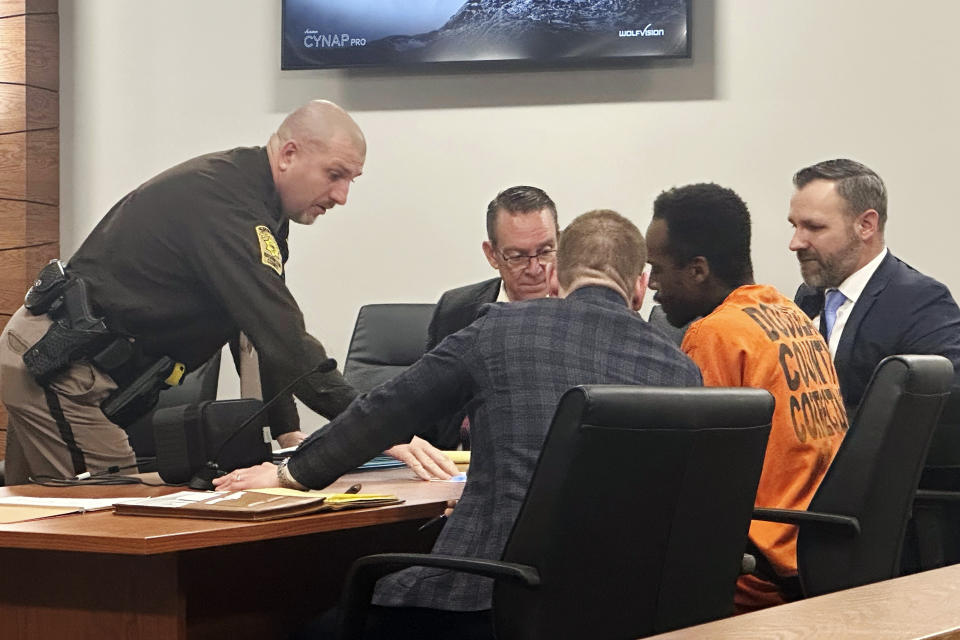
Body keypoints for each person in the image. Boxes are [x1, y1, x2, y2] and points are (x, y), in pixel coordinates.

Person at [217, 209, 702, 639]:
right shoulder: (682, 371)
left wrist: (288, 473)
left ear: (555, 277)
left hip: (486, 599)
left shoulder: (497, 330)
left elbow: (384, 410)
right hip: (626, 611)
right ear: (639, 286)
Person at [0, 99, 455, 485]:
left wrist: (288, 435)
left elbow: (261, 327)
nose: (342, 196)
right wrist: (375, 427)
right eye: (334, 175)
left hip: (72, 368)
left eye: (352, 179)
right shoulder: (224, 206)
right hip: (57, 368)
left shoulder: (261, 209)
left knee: (27, 534)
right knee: (112, 517)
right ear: (289, 153)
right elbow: (286, 341)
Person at [645, 183, 848, 612]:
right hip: (820, 557)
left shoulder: (714, 335)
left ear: (698, 269)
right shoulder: (790, 314)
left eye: (658, 269)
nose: (652, 287)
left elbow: (696, 484)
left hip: (756, 579)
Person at [790, 158, 960, 416]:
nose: (796, 243)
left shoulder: (921, 301)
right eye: (795, 226)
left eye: (814, 227)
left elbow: (944, 408)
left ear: (866, 225)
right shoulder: (809, 296)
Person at [423, 185, 559, 448]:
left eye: (545, 252)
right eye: (518, 256)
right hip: (460, 470)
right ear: (492, 254)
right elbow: (428, 414)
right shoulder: (455, 310)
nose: (535, 269)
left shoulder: (585, 314)